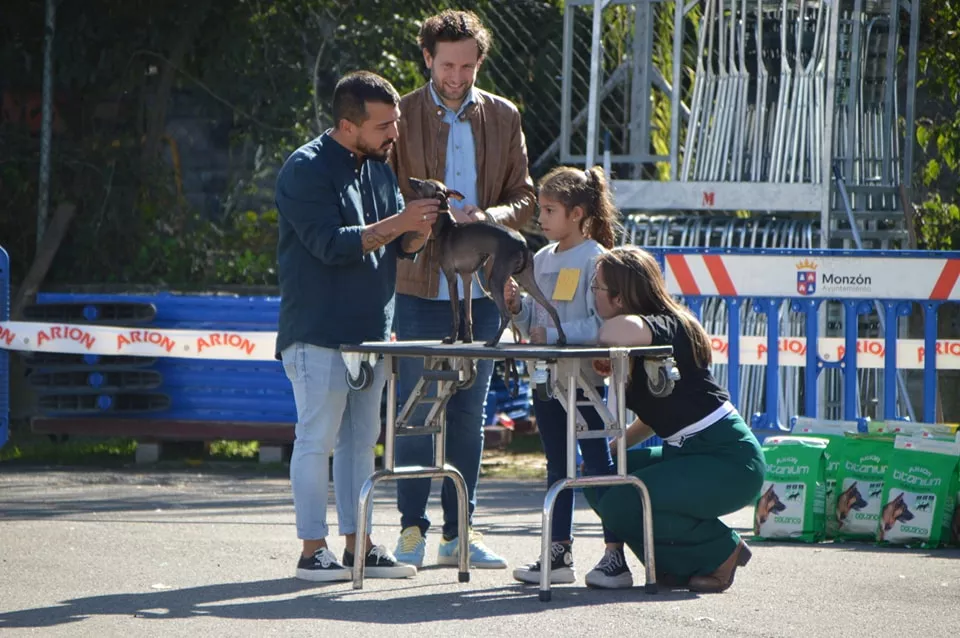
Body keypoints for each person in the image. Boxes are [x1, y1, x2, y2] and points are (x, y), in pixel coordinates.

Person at [274, 70, 441, 582]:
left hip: (371, 334)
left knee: (361, 445)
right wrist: (401, 223)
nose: (394, 134)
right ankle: (312, 552)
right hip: (318, 333)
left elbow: (394, 246)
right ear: (348, 125)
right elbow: (330, 244)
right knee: (316, 441)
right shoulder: (304, 168)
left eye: (396, 123)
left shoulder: (379, 168)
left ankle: (359, 547)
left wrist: (418, 231)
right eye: (383, 126)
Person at [388, 9, 537, 570]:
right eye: (447, 65)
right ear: (427, 59)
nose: (457, 77)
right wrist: (411, 221)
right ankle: (411, 530)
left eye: (467, 67)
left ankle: (459, 533)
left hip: (483, 287)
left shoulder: (504, 115)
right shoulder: (400, 113)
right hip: (417, 284)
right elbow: (381, 192)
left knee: (469, 415)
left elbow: (526, 197)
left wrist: (490, 218)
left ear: (479, 63)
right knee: (415, 411)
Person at [582, 245, 766, 592]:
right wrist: (614, 448)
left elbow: (613, 332)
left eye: (597, 287)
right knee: (598, 477)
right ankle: (671, 564)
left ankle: (723, 550)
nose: (592, 294)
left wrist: (596, 334)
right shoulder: (640, 338)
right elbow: (656, 417)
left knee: (623, 500)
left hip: (729, 460)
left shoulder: (669, 325)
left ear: (620, 298)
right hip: (686, 453)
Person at [502, 165, 638, 588]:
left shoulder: (598, 259)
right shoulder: (541, 258)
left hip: (583, 384)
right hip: (546, 381)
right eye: (540, 209)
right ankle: (558, 554)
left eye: (549, 210)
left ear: (577, 214)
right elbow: (533, 320)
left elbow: (604, 325)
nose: (540, 218)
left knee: (598, 464)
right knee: (557, 466)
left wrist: (558, 335)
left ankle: (615, 557)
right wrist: (516, 308)